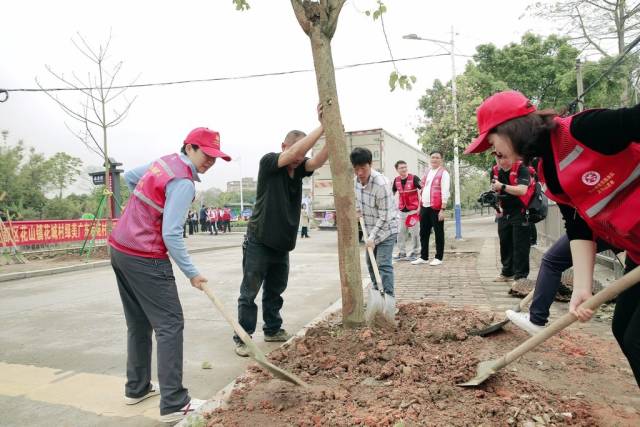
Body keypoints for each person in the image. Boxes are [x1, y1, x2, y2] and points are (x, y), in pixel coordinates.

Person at [465, 90, 640, 387]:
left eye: (491, 141)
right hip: (636, 254)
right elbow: (579, 225)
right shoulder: (548, 169)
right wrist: (582, 287)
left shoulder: (584, 130)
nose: (491, 151)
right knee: (623, 328)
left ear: (510, 128)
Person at [108, 127, 231, 422]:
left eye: (215, 158)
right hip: (145, 255)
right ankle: (174, 402)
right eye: (206, 154)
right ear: (189, 147)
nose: (210, 161)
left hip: (120, 247)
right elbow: (172, 234)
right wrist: (192, 272)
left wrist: (146, 207)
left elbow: (130, 178)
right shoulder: (184, 182)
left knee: (138, 323)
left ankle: (136, 388)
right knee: (170, 325)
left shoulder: (162, 163)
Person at [234, 105, 328, 357]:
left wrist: (331, 130)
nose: (299, 159)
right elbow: (297, 153)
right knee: (249, 292)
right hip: (259, 241)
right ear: (283, 146)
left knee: (275, 290)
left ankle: (273, 329)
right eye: (295, 153)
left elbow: (317, 159)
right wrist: (320, 126)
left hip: (282, 245)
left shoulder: (297, 171)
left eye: (301, 156)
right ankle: (243, 337)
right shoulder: (269, 162)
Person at [507, 235, 620, 335]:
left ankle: (536, 319)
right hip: (619, 228)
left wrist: (582, 287)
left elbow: (580, 230)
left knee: (552, 261)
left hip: (607, 226)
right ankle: (536, 318)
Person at [351, 147, 399, 300]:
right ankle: (378, 296)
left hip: (387, 230)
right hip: (370, 230)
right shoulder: (356, 182)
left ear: (370, 164)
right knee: (371, 265)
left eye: (363, 168)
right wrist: (357, 210)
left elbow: (385, 216)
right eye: (356, 169)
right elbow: (358, 201)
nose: (360, 173)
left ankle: (389, 299)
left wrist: (372, 237)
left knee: (383, 265)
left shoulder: (381, 184)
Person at [490, 154, 533, 287]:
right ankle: (507, 272)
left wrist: (501, 186)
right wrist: (495, 205)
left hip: (521, 210)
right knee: (505, 242)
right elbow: (494, 190)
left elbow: (522, 190)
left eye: (504, 157)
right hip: (504, 211)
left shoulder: (522, 168)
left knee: (520, 245)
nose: (501, 161)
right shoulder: (495, 170)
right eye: (498, 157)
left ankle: (521, 276)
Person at [411, 150, 450, 266]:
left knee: (438, 232)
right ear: (430, 159)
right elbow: (422, 189)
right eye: (433, 157)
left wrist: (442, 209)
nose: (434, 159)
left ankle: (439, 257)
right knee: (423, 232)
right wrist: (419, 206)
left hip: (436, 207)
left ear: (441, 160)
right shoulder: (427, 172)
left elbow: (445, 192)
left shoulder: (444, 173)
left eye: (437, 157)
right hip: (424, 206)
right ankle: (424, 257)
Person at [391, 160, 422, 261]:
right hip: (402, 211)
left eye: (405, 167)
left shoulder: (414, 178)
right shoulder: (396, 180)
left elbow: (423, 189)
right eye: (401, 168)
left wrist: (420, 207)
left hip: (413, 211)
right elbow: (391, 193)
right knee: (400, 232)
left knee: (415, 233)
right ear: (397, 170)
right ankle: (402, 252)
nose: (404, 169)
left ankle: (416, 252)